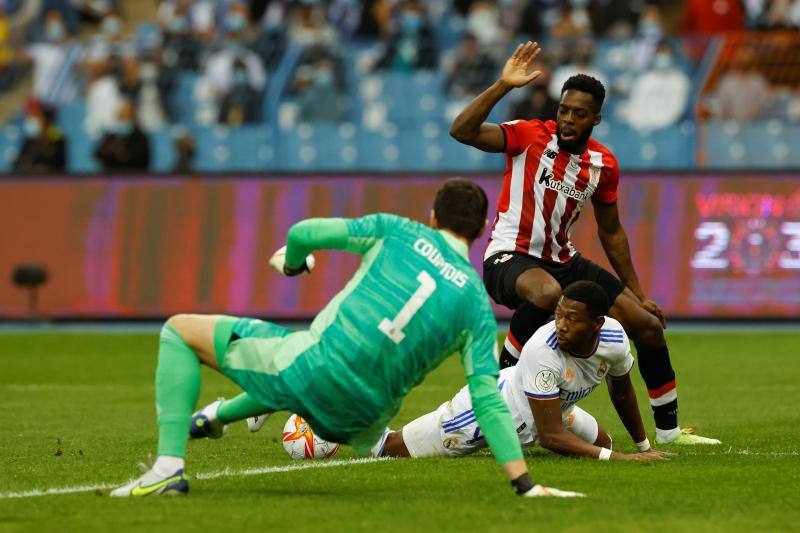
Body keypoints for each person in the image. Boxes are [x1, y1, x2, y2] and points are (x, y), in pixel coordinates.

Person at [110, 179, 581, 498]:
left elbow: (302, 231)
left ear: (432, 215)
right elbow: (486, 396)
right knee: (305, 365)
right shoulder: (476, 306)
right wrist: (523, 482)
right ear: (481, 231)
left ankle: (167, 468)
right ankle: (217, 415)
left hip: (312, 372)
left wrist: (294, 263)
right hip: (363, 424)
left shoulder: (396, 230)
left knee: (180, 331)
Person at [449, 41, 720, 446]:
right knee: (546, 294)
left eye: (579, 114)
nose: (568, 120)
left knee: (646, 328)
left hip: (562, 260)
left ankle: (669, 433)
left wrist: (638, 293)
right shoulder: (528, 136)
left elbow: (611, 231)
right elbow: (461, 130)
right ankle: (501, 378)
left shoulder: (603, 164)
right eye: (563, 110)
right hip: (508, 256)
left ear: (596, 118)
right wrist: (503, 86)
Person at [375, 281, 669, 462]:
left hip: (555, 408)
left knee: (602, 445)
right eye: (558, 315)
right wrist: (620, 459)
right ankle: (333, 435)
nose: (561, 325)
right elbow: (550, 437)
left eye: (572, 318)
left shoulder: (615, 339)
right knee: (390, 449)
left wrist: (642, 447)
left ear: (597, 323)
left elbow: (622, 390)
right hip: (496, 411)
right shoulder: (543, 349)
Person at [94, 99, 151, 173]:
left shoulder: (140, 137)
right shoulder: (111, 136)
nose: (123, 120)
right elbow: (98, 154)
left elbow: (139, 158)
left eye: (126, 117)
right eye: (121, 117)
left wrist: (120, 154)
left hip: (134, 176)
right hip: (110, 175)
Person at [13, 100, 66, 174]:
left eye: (36, 117)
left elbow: (60, 165)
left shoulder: (57, 140)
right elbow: (17, 164)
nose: (32, 121)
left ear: (46, 120)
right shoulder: (29, 141)